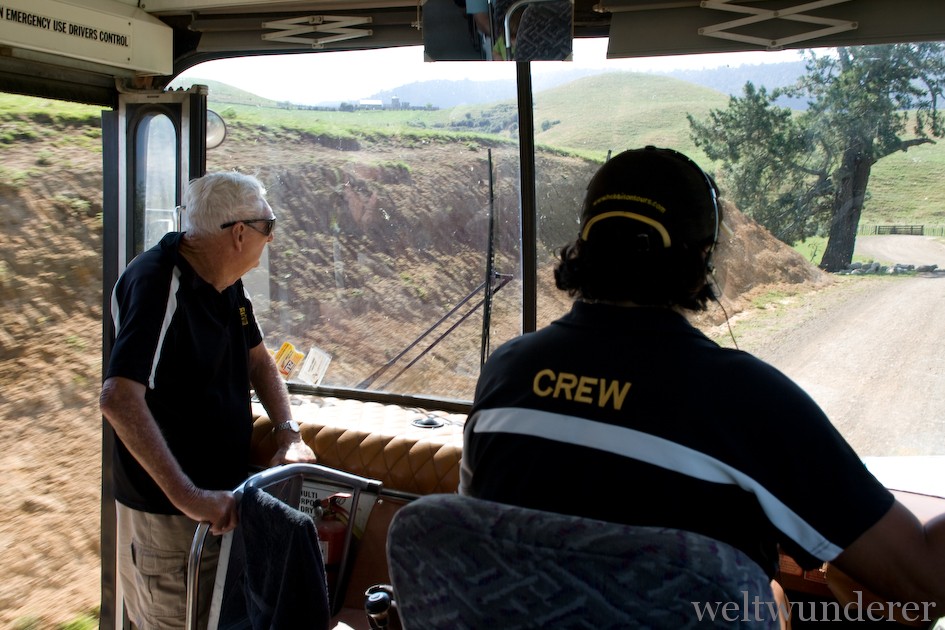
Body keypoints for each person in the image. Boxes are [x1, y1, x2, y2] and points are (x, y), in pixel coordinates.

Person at [460, 146, 945, 621]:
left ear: (585, 247)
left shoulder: (506, 371)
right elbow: (924, 581)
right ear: (703, 259)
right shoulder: (746, 399)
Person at [99, 171, 317, 629]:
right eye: (268, 225)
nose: (271, 238)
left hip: (221, 506)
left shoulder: (225, 280)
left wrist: (288, 434)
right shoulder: (159, 283)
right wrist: (191, 498)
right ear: (239, 233)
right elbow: (119, 398)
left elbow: (259, 362)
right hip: (168, 518)